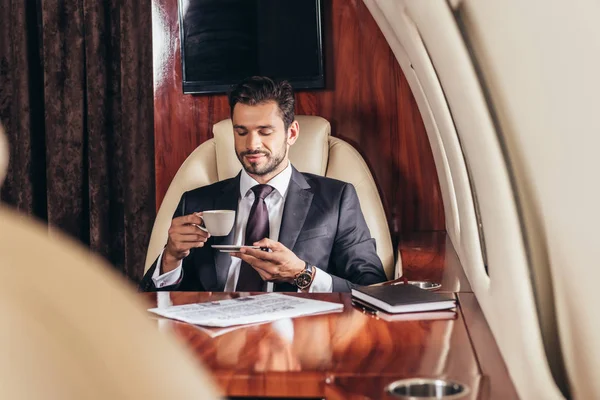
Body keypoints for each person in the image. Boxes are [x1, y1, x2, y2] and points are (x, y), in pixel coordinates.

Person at [139, 76, 387, 292]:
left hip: (299, 336)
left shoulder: (337, 199)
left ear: (292, 133)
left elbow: (373, 288)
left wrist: (302, 273)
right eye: (241, 132)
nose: (251, 145)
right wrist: (171, 257)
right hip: (215, 338)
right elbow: (152, 302)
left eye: (265, 131)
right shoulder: (195, 202)